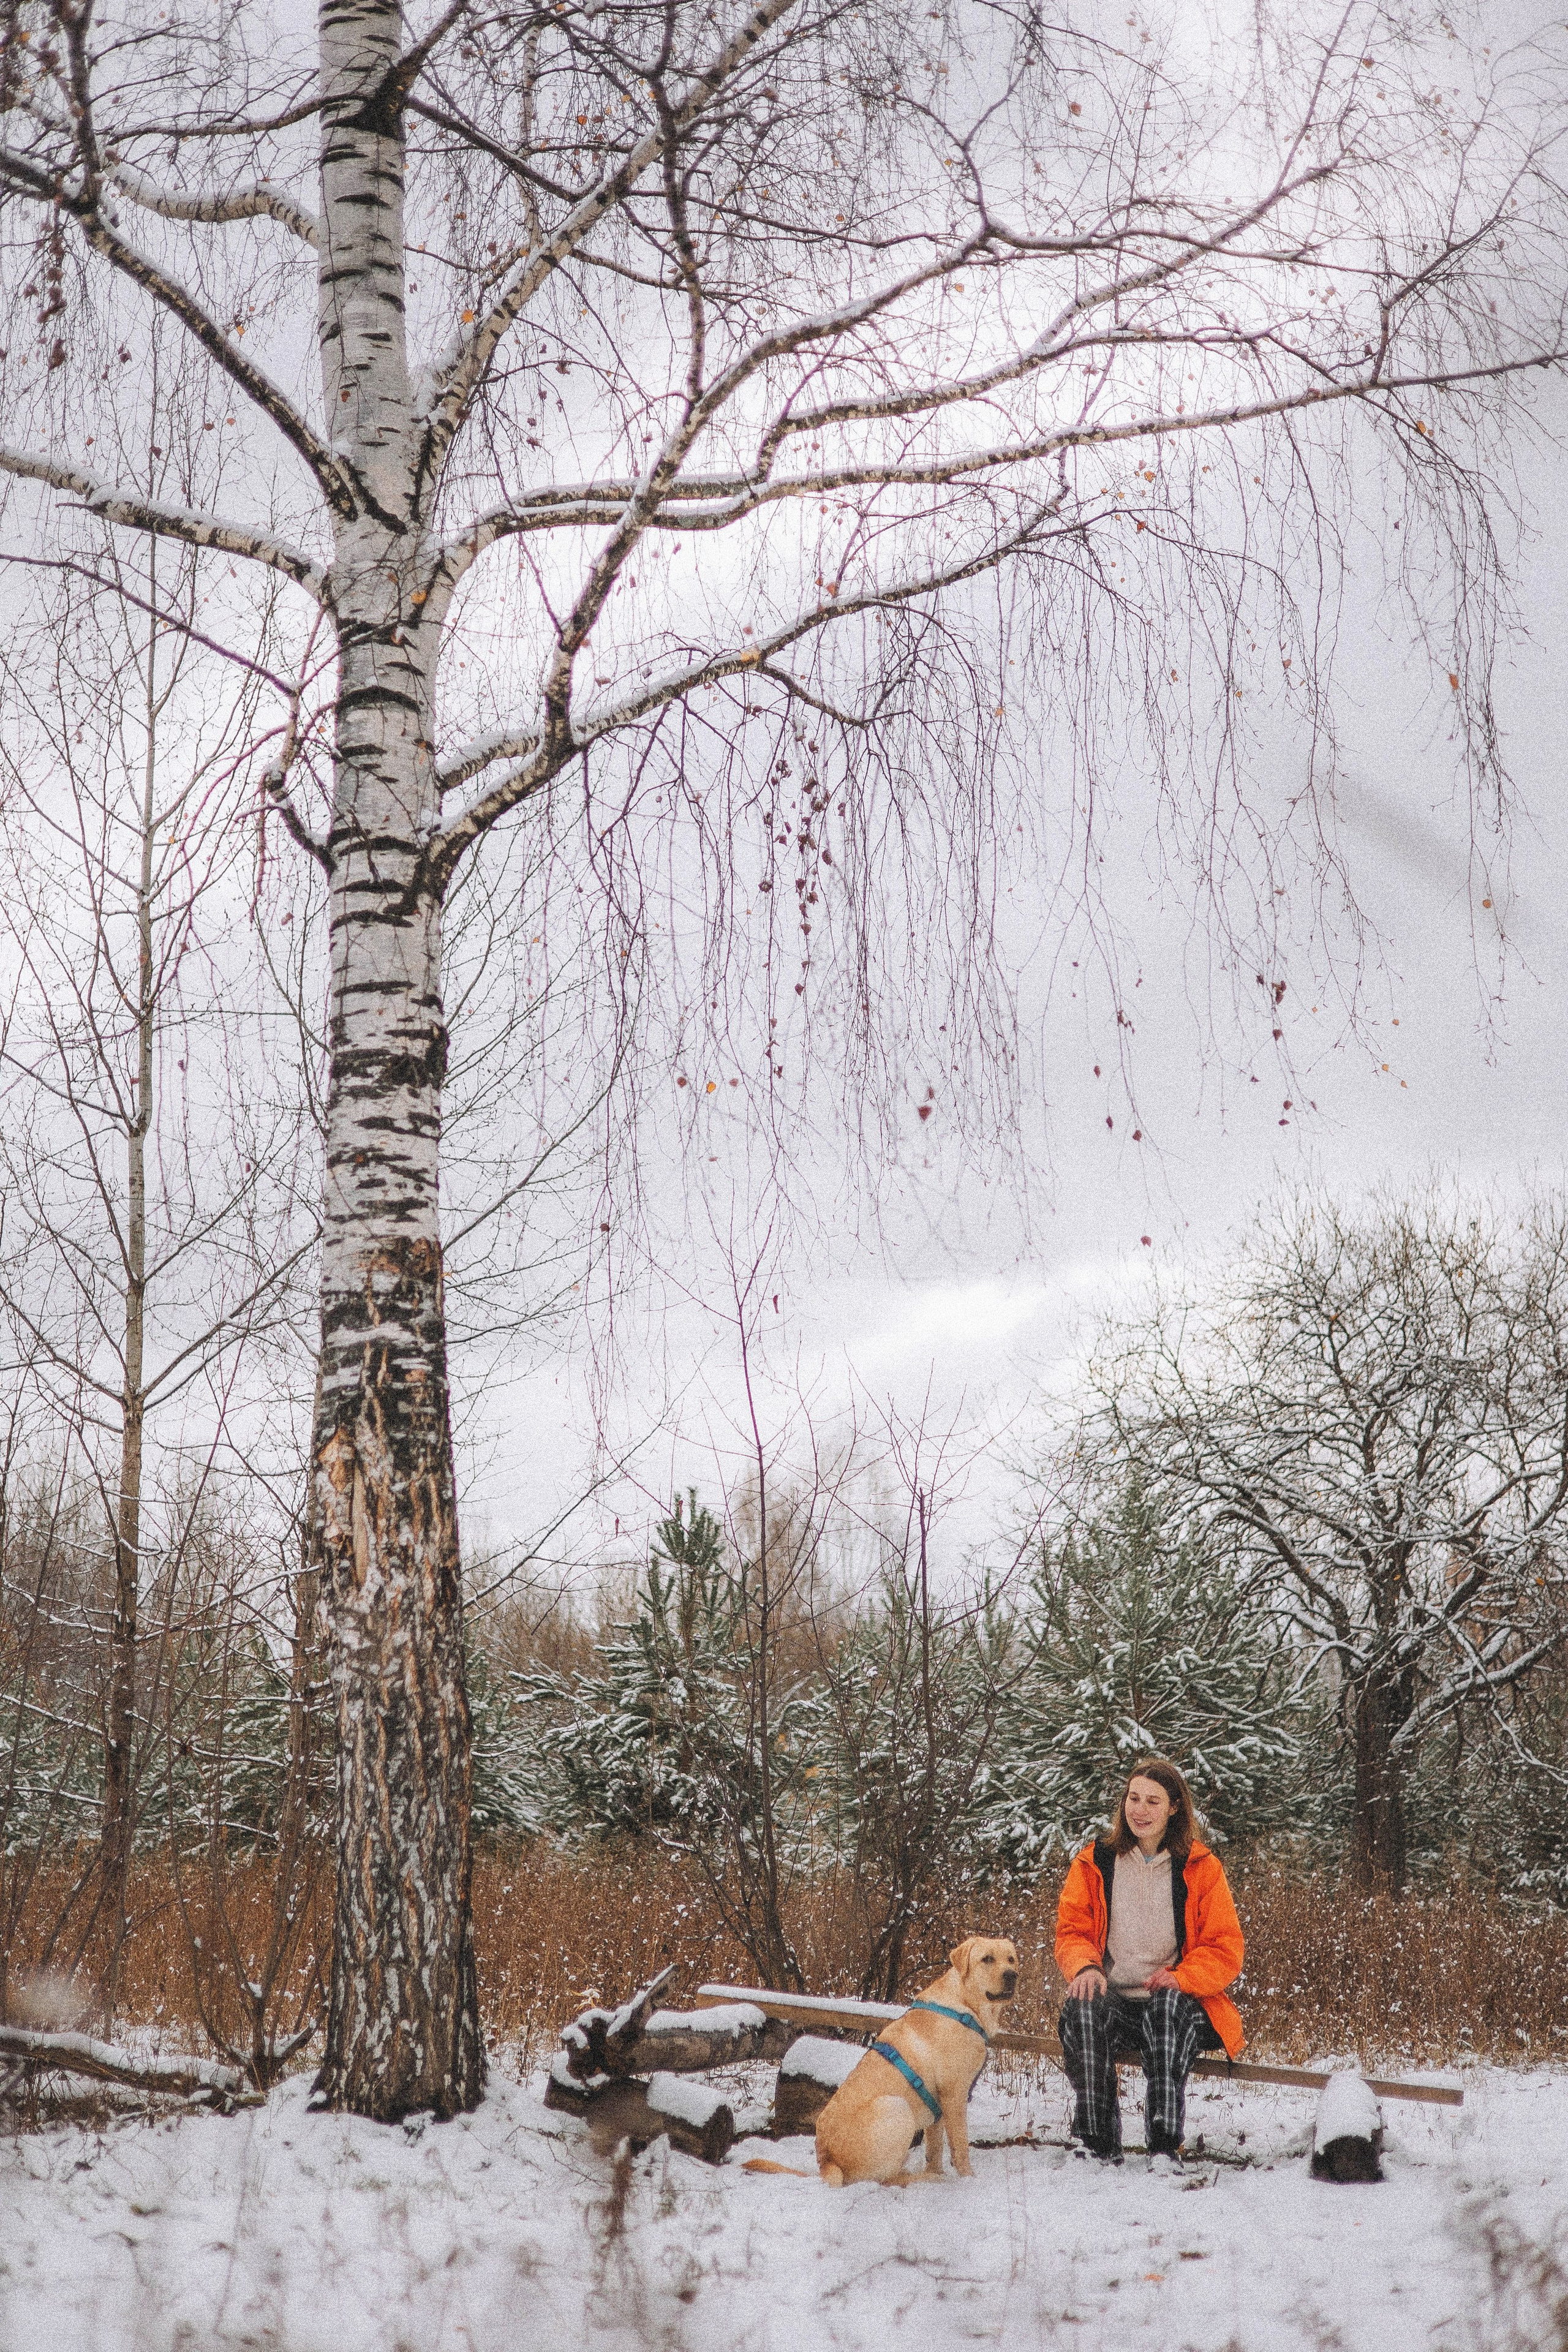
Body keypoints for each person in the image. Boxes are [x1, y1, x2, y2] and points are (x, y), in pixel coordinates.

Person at [1053, 1754, 1244, 2164]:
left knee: (1167, 2007)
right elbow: (1073, 1931)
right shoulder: (1095, 1862)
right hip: (1115, 2003)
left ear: (1174, 1808)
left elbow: (1225, 1948)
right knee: (1083, 2003)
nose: (1140, 1810)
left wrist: (1183, 1977)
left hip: (1174, 2007)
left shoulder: (1201, 1867)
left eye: (1153, 1801)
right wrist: (1086, 1967)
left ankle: (1163, 2146)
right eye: (1133, 1798)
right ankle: (1093, 2141)